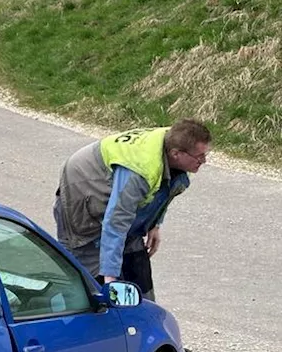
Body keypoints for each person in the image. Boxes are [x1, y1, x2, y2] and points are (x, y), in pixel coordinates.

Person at [52, 119, 212, 301]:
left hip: (116, 190)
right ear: (176, 153)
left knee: (137, 271)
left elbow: (164, 188)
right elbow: (116, 221)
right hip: (83, 193)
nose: (204, 161)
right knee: (89, 282)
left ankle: (141, 313)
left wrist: (155, 224)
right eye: (199, 156)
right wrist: (110, 280)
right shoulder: (140, 170)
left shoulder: (178, 139)